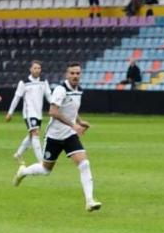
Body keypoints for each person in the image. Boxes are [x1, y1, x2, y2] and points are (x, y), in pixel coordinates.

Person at [13, 62, 101, 212]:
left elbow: (71, 108)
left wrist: (79, 121)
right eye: (72, 73)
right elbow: (53, 111)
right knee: (46, 170)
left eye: (78, 73)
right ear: (67, 74)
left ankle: (89, 201)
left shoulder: (79, 90)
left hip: (70, 136)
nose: (75, 76)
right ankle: (23, 172)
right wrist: (73, 125)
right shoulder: (61, 90)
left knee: (84, 164)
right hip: (54, 136)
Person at [5, 60, 52, 166]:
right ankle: (41, 161)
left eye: (39, 68)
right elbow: (16, 98)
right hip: (29, 113)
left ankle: (18, 154)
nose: (37, 70)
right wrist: (10, 112)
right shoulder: (24, 82)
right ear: (30, 69)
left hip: (38, 113)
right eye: (35, 68)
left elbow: (49, 96)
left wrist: (55, 106)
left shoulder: (44, 81)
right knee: (35, 134)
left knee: (31, 136)